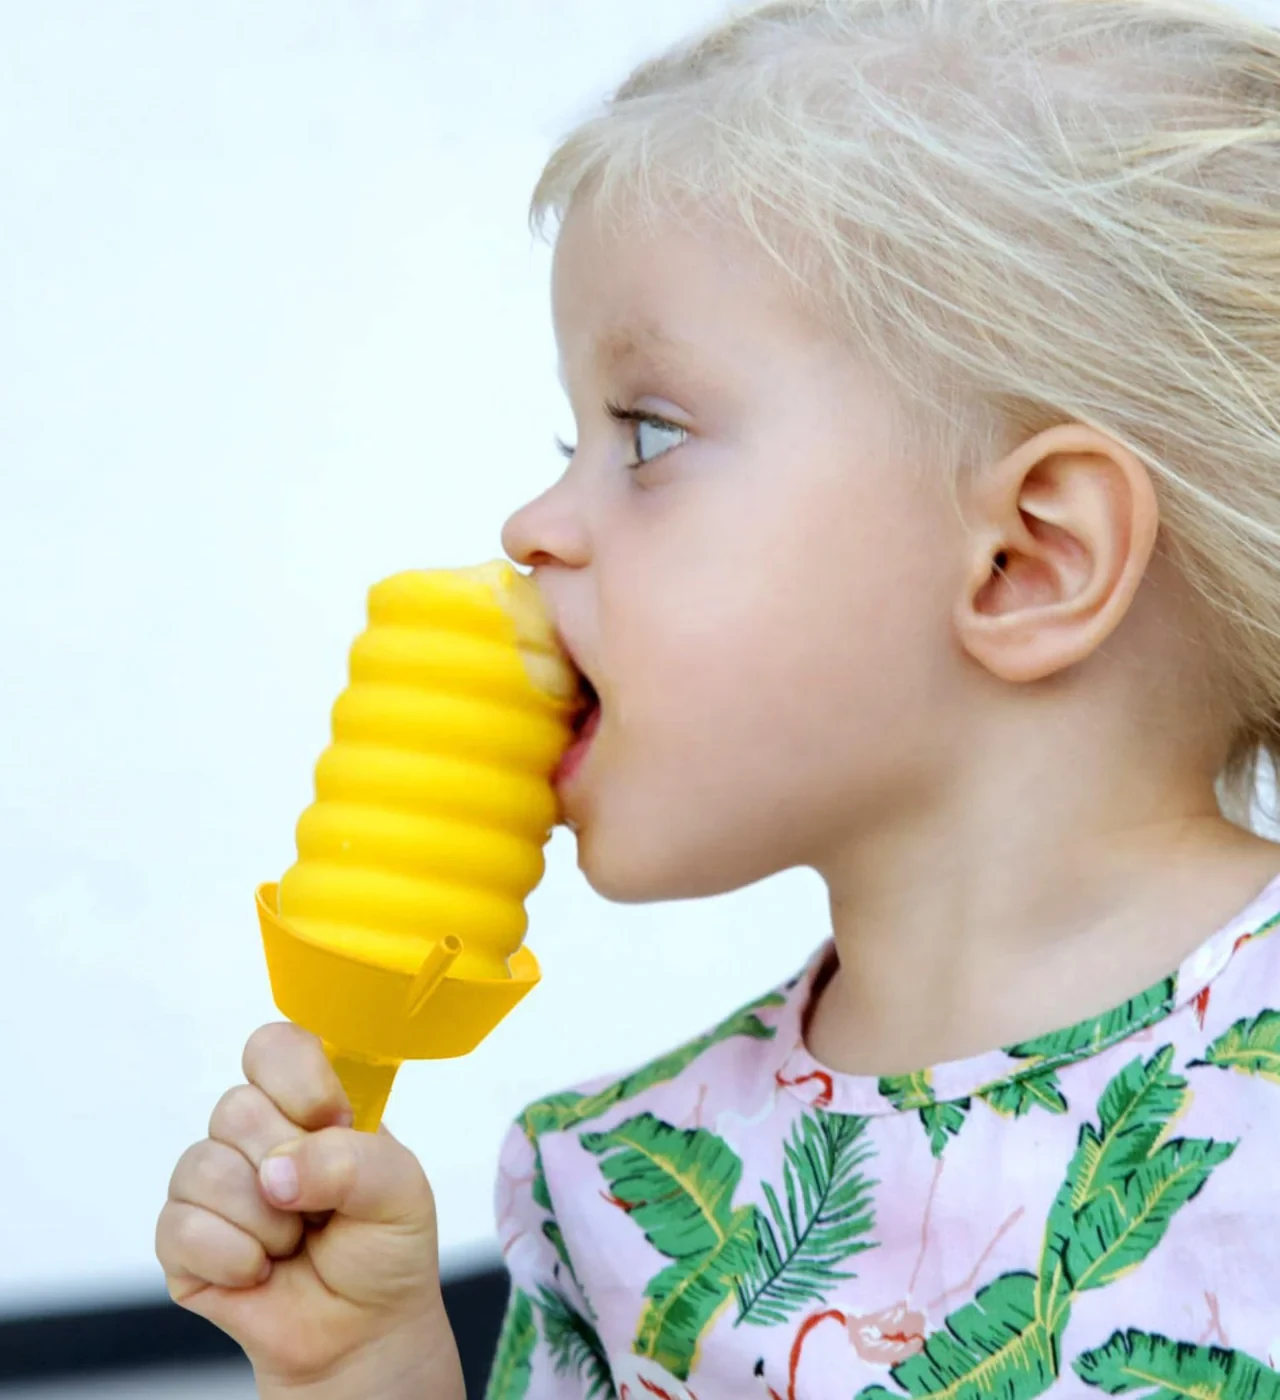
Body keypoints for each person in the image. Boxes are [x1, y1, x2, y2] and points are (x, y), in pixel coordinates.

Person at [155, 1, 1280, 1395]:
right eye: (572, 439)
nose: (530, 527)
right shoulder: (620, 1186)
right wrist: (356, 1371)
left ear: (1023, 559)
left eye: (649, 434)